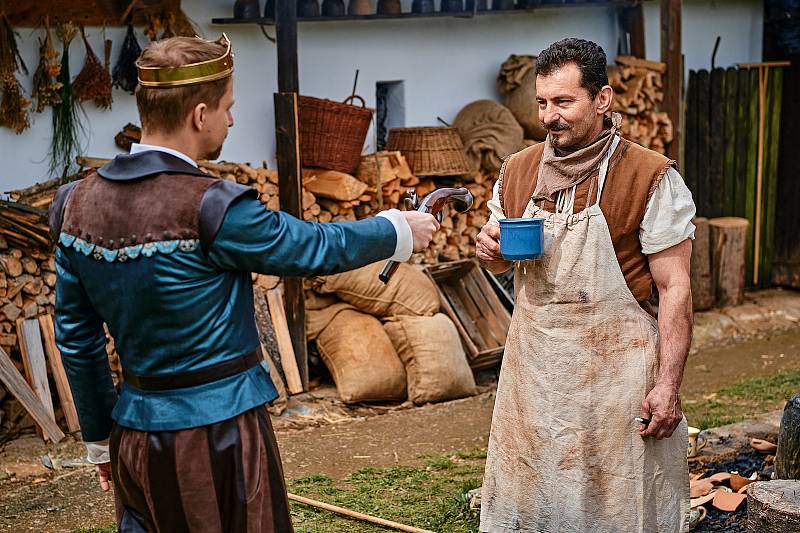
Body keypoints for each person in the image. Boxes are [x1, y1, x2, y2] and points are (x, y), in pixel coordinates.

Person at [50, 34, 439, 533]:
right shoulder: (212, 205)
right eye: (228, 108)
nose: (231, 120)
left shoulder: (71, 203)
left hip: (134, 436)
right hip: (218, 436)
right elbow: (309, 246)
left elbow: (77, 341)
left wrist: (101, 440)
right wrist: (398, 229)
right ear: (199, 114)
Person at [476, 38, 694, 532]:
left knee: (616, 506)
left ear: (602, 99)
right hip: (533, 373)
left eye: (563, 102)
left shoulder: (648, 177)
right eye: (542, 102)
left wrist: (668, 386)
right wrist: (488, 251)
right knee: (534, 500)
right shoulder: (518, 171)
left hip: (619, 376)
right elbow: (497, 260)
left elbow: (676, 288)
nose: (549, 116)